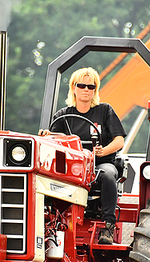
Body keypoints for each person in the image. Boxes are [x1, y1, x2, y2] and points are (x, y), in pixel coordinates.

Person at [39, 67, 126, 244]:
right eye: (82, 85)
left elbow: (119, 141)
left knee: (109, 175)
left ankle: (108, 225)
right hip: (72, 169)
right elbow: (54, 141)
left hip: (99, 164)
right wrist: (47, 136)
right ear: (74, 88)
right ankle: (48, 225)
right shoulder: (63, 116)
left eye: (91, 86)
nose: (86, 89)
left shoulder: (105, 111)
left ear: (95, 90)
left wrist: (103, 151)